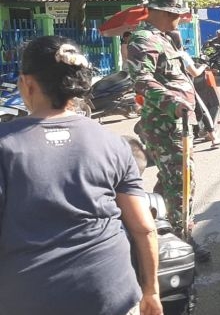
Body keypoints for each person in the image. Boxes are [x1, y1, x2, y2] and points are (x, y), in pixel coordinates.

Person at [0, 36, 163, 315]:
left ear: (27, 84)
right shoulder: (113, 144)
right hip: (112, 295)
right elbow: (144, 228)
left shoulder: (6, 144)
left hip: (28, 300)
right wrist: (151, 291)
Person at [127, 0, 210, 262]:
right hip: (165, 123)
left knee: (171, 181)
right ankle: (183, 242)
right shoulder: (144, 39)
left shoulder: (165, 38)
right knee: (182, 181)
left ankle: (159, 230)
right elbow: (142, 80)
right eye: (175, 14)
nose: (179, 19)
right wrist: (173, 102)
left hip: (178, 124)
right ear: (162, 12)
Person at [168, 30, 220, 147]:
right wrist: (203, 66)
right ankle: (214, 137)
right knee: (202, 111)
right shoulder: (181, 55)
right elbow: (194, 73)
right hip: (186, 89)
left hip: (168, 91)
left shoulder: (162, 54)